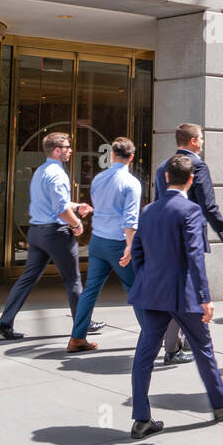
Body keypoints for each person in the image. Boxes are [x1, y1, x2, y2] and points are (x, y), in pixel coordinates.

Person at [126, 154, 223, 439]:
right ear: (191, 180)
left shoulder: (148, 211)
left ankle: (141, 418)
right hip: (182, 293)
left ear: (167, 178)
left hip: (153, 292)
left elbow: (137, 254)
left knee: (145, 353)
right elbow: (195, 256)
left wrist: (149, 278)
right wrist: (205, 297)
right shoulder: (191, 211)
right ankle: (219, 404)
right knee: (202, 347)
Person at [0, 132, 92, 341]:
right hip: (56, 233)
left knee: (27, 279)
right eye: (66, 147)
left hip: (37, 231)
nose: (70, 150)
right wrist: (77, 223)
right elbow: (60, 210)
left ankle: (5, 322)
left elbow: (55, 204)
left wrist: (76, 206)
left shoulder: (40, 171)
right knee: (73, 280)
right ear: (57, 150)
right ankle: (83, 323)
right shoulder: (58, 174)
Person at [154, 123, 223, 364]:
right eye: (201, 138)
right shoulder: (198, 166)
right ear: (193, 141)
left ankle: (175, 343)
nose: (203, 142)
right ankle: (172, 348)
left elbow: (157, 203)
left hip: (164, 237)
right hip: (189, 237)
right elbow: (208, 205)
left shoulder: (163, 166)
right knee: (185, 291)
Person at [68, 137, 143, 353]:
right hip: (118, 242)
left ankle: (77, 338)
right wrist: (130, 245)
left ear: (111, 155)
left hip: (97, 240)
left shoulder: (99, 178)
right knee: (136, 289)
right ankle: (153, 335)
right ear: (131, 158)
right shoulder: (131, 183)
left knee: (90, 289)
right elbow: (130, 219)